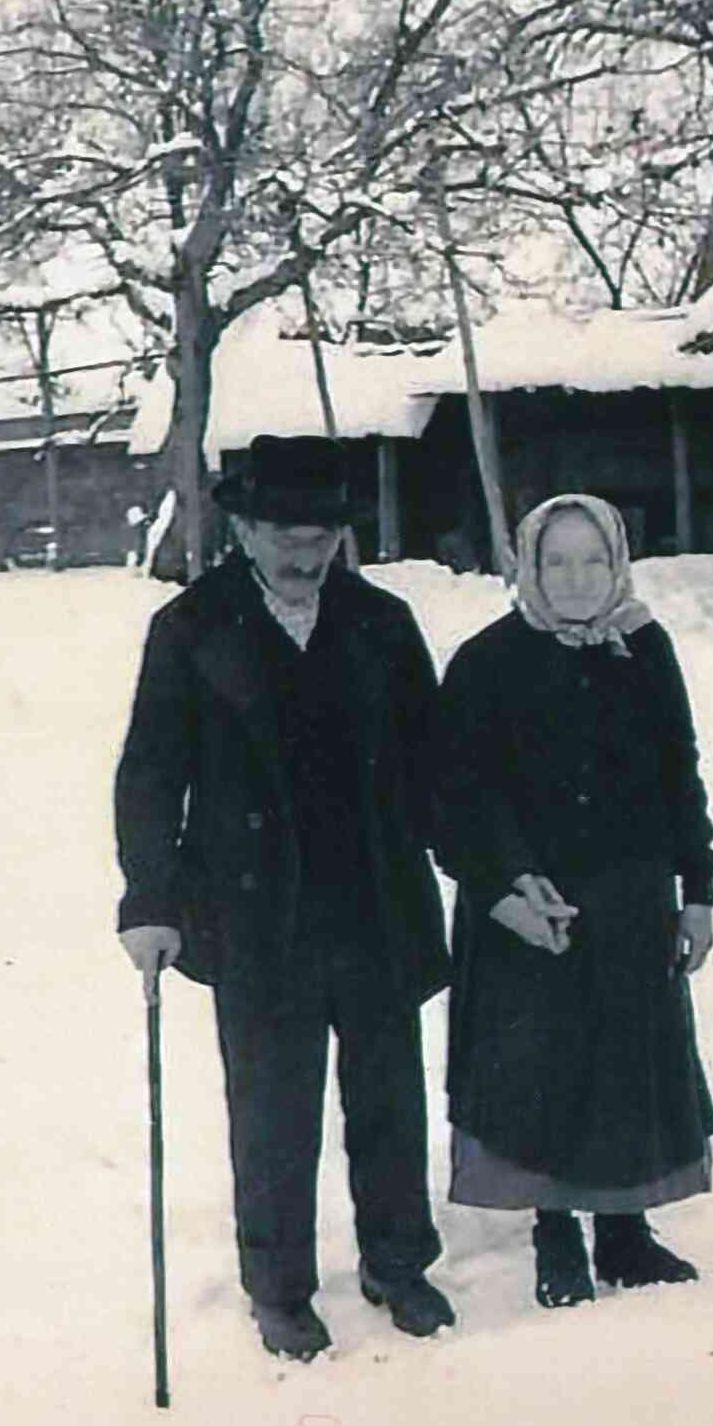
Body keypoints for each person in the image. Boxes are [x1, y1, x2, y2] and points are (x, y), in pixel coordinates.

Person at [114, 434, 455, 1362]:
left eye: (323, 535)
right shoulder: (190, 629)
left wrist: (485, 866)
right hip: (257, 913)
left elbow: (434, 766)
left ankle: (398, 1261)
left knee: (389, 1098)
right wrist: (150, 899)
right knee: (272, 1110)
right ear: (245, 528)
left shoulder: (382, 623)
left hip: (373, 900)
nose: (306, 554)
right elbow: (150, 775)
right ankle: (279, 1285)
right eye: (285, 534)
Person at [430, 493, 713, 1310]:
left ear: (619, 560)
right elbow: (459, 794)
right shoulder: (487, 661)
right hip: (532, 904)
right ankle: (556, 1231)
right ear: (527, 565)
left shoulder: (646, 647)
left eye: (593, 559)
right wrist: (509, 883)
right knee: (542, 1068)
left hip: (631, 896)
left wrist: (697, 891)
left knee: (626, 1060)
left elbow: (678, 773)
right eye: (557, 561)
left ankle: (625, 1234)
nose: (578, 578)